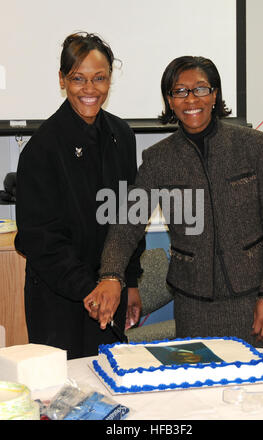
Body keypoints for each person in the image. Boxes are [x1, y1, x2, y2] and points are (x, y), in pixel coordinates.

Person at [84, 55, 263, 349]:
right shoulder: (159, 159)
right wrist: (110, 275)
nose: (191, 99)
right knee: (200, 391)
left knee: (261, 388)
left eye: (201, 89)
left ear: (215, 95)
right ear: (170, 101)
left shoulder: (252, 145)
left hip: (254, 300)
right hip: (194, 306)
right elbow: (127, 225)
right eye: (180, 91)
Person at [15, 32, 145, 359]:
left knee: (110, 388)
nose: (90, 89)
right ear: (62, 80)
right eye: (78, 79)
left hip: (110, 290)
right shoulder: (42, 148)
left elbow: (130, 217)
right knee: (63, 397)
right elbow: (42, 239)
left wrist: (128, 283)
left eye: (99, 78)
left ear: (109, 80)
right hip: (61, 299)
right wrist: (90, 291)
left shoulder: (123, 136)